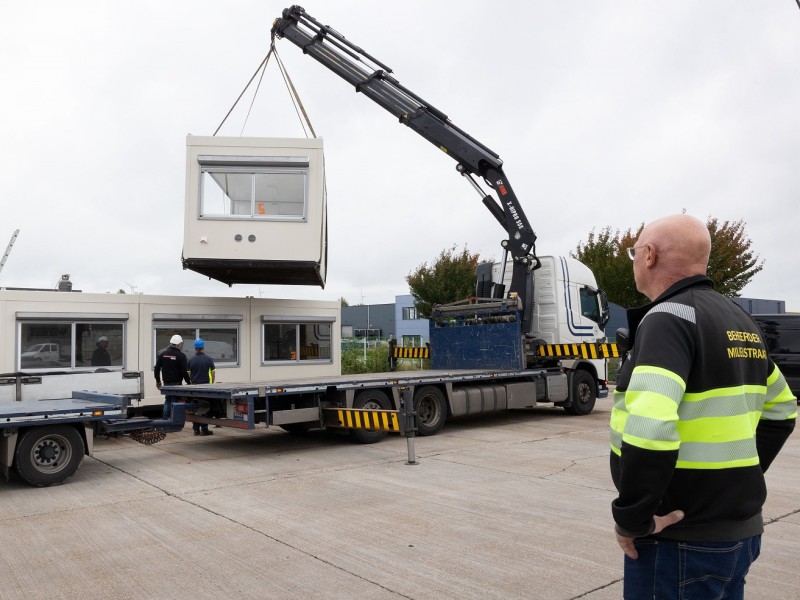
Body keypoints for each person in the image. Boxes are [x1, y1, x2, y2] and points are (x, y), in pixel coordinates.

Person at [610, 214, 796, 599]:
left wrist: (633, 519)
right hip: (737, 534)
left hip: (680, 540)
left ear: (649, 255)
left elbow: (651, 428)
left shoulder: (666, 318)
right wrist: (734, 480)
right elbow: (782, 409)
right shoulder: (740, 320)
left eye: (634, 251)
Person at [154, 334, 191, 420]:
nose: (181, 345)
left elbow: (157, 369)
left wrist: (158, 381)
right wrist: (189, 383)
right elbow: (184, 372)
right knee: (175, 401)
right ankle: (174, 420)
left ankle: (165, 420)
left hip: (166, 383)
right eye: (181, 344)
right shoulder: (181, 356)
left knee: (167, 400)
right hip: (177, 383)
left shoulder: (163, 354)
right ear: (178, 344)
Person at [188, 338, 216, 436]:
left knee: (195, 408)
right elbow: (213, 373)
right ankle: (204, 429)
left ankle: (196, 430)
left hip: (194, 387)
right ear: (203, 348)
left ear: (195, 348)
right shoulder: (209, 359)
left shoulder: (191, 360)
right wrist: (212, 384)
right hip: (205, 387)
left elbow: (188, 375)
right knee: (205, 408)